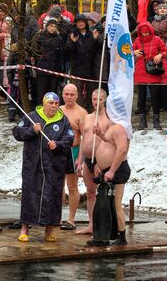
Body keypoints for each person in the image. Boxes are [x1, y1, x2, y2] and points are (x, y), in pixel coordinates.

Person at [12, 92, 74, 242]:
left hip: (53, 167)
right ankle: (24, 229)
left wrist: (57, 144)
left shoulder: (63, 120)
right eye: (50, 103)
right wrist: (32, 131)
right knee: (30, 195)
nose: (53, 106)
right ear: (44, 103)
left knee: (52, 196)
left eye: (56, 103)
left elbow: (70, 138)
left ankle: (49, 230)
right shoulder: (32, 116)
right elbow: (17, 132)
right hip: (32, 164)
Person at [90, 113, 131, 245]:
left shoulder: (119, 127)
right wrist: (100, 133)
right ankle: (105, 235)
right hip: (107, 170)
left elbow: (122, 150)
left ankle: (122, 236)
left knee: (116, 203)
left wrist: (112, 170)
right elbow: (109, 142)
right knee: (105, 203)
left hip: (117, 170)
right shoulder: (112, 126)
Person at [75, 89, 112, 235]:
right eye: (94, 99)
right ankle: (91, 224)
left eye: (100, 100)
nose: (96, 102)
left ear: (105, 100)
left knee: (103, 193)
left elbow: (109, 142)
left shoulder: (109, 120)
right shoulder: (87, 118)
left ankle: (103, 225)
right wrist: (79, 160)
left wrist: (101, 162)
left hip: (101, 160)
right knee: (90, 192)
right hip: (87, 160)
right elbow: (84, 141)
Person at [59, 84, 88, 230]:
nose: (69, 97)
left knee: (72, 186)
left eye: (72, 94)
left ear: (77, 95)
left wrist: (80, 159)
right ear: (62, 95)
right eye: (66, 94)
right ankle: (56, 216)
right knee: (58, 186)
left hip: (73, 151)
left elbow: (85, 137)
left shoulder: (81, 113)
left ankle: (71, 219)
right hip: (58, 151)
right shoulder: (58, 110)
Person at [132, 21, 167, 130]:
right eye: (143, 33)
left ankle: (156, 121)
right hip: (141, 71)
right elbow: (127, 50)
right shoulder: (137, 40)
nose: (145, 35)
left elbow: (166, 50)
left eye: (147, 33)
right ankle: (143, 122)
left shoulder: (157, 39)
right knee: (141, 98)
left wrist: (160, 55)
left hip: (153, 71)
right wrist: (134, 51)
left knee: (155, 97)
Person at [66, 14, 100, 110]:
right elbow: (68, 51)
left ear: (85, 22)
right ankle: (78, 110)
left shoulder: (91, 34)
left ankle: (89, 110)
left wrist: (95, 40)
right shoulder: (73, 34)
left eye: (82, 21)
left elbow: (95, 51)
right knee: (78, 91)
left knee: (90, 91)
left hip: (90, 68)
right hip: (77, 68)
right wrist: (73, 42)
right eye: (78, 22)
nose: (80, 24)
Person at [33, 19, 65, 100]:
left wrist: (60, 70)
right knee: (42, 94)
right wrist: (38, 65)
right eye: (51, 26)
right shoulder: (40, 37)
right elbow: (35, 52)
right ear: (46, 26)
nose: (52, 28)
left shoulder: (59, 39)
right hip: (42, 70)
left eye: (55, 26)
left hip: (54, 71)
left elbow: (61, 56)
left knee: (53, 95)